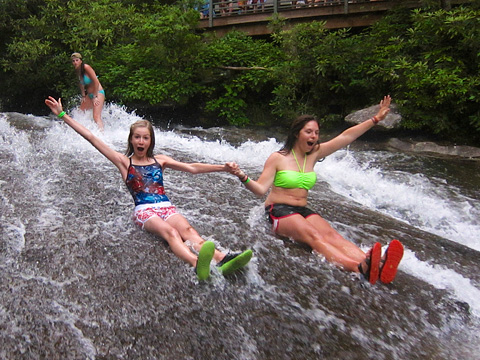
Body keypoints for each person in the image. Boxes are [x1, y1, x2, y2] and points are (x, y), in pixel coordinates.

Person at [44, 96, 253, 281]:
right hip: (143, 210)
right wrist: (62, 114)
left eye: (145, 137)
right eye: (137, 137)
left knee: (188, 231)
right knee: (170, 232)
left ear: (150, 140)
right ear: (131, 140)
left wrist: (223, 168)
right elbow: (92, 138)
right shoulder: (124, 162)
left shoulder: (159, 160)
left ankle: (220, 258)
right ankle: (196, 263)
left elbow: (191, 168)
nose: (141, 141)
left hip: (165, 206)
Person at [231, 95, 403, 285]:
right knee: (314, 237)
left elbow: (346, 137)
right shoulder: (278, 158)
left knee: (332, 235)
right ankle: (357, 267)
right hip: (278, 211)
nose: (314, 136)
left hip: (302, 209)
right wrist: (242, 176)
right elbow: (260, 189)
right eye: (309, 132)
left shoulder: (314, 154)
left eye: (316, 133)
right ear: (297, 134)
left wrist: (376, 119)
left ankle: (372, 264)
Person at [71, 52, 106, 131]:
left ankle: (102, 136)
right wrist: (83, 95)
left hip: (98, 93)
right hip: (89, 95)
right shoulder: (78, 70)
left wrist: (95, 96)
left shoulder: (86, 67)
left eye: (77, 60)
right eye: (73, 61)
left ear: (81, 61)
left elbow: (96, 82)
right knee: (80, 113)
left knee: (96, 116)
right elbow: (81, 83)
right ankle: (84, 131)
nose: (75, 62)